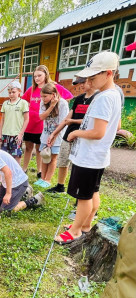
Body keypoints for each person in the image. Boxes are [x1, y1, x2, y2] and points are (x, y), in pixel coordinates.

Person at [55, 51, 122, 244]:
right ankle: (85, 224)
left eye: (93, 77)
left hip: (89, 157)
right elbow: (112, 126)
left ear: (108, 73)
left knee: (83, 197)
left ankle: (75, 231)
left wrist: (75, 133)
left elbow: (98, 132)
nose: (90, 82)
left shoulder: (103, 98)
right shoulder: (114, 94)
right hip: (98, 156)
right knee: (92, 192)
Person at [46, 77, 98, 193]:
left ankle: (79, 189)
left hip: (84, 137)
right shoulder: (79, 99)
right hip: (68, 135)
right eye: (80, 83)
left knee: (79, 165)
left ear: (91, 81)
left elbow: (92, 121)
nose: (81, 85)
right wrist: (54, 133)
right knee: (63, 161)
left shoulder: (97, 99)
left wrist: (73, 121)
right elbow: (67, 119)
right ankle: (60, 186)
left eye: (83, 82)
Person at [21, 65, 73, 177]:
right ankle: (24, 169)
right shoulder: (32, 89)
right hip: (31, 123)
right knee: (28, 147)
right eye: (35, 76)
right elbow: (23, 101)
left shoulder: (53, 87)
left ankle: (40, 171)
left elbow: (68, 96)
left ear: (46, 74)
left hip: (44, 125)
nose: (37, 78)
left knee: (40, 149)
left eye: (39, 75)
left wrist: (56, 108)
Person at [35, 83, 69, 188]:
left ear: (53, 94)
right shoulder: (43, 103)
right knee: (45, 156)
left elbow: (64, 122)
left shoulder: (63, 103)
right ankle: (42, 178)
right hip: (46, 134)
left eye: (45, 96)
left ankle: (48, 180)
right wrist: (51, 106)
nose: (42, 98)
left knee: (53, 158)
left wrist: (54, 136)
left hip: (58, 136)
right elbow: (41, 117)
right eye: (41, 96)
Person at [0, 81, 29, 164]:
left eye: (13, 92)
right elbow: (3, 119)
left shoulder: (23, 103)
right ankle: (7, 172)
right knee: (5, 154)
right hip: (6, 133)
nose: (11, 94)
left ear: (19, 91)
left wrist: (21, 134)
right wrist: (0, 133)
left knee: (16, 155)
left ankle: (17, 173)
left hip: (16, 134)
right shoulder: (5, 103)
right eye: (9, 92)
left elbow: (26, 119)